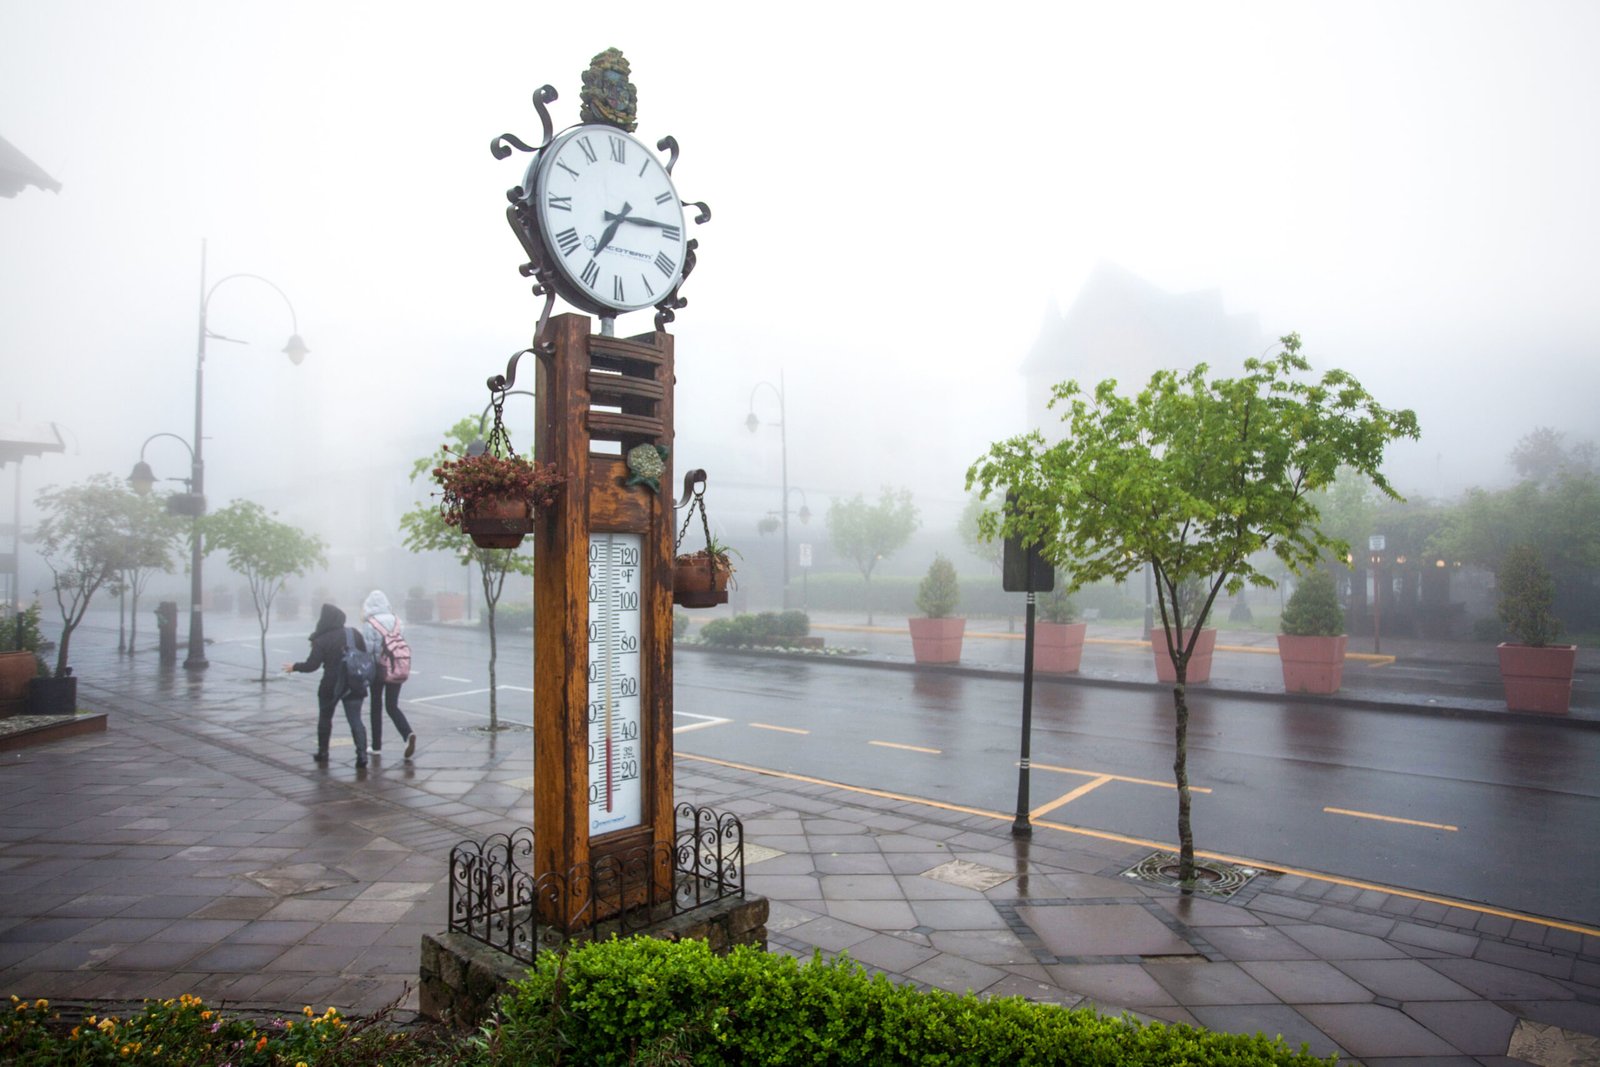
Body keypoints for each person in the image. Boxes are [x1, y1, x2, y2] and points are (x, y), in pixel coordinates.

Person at [282, 602, 369, 768]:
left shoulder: (321, 639)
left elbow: (312, 665)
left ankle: (323, 752)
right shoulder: (354, 634)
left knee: (325, 718)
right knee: (355, 719)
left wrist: (295, 667)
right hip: (354, 683)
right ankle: (362, 755)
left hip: (331, 684)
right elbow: (363, 655)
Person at [361, 589, 417, 759]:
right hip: (397, 667)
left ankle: (376, 746)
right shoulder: (397, 621)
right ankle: (407, 734)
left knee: (376, 706)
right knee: (392, 705)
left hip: (378, 669)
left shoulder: (370, 623)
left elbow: (368, 650)